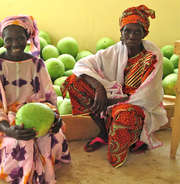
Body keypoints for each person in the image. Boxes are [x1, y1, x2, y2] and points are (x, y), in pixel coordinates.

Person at [62, 5, 167, 168]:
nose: (131, 36)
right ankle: (104, 134)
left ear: (144, 34)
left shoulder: (152, 56)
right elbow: (82, 64)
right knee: (74, 82)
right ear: (121, 33)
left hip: (136, 105)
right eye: (127, 31)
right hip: (112, 98)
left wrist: (112, 102)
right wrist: (99, 89)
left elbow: (148, 95)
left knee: (124, 115)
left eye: (137, 32)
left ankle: (133, 138)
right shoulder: (115, 51)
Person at [0, 15, 71, 183]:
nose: (14, 44)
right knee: (19, 144)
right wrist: (7, 129)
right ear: (2, 40)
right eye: (8, 39)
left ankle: (41, 171)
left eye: (19, 38)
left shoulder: (37, 64)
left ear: (28, 38)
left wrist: (53, 117)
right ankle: (21, 176)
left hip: (35, 115)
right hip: (4, 120)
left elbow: (49, 98)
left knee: (53, 137)